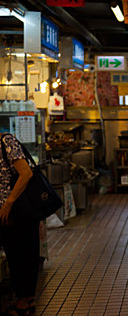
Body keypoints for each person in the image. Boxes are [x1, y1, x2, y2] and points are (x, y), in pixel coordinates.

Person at [0, 133, 38, 316]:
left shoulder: (6, 142)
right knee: (15, 255)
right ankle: (25, 300)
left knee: (20, 255)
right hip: (6, 212)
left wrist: (8, 203)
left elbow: (26, 173)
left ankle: (24, 303)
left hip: (16, 211)